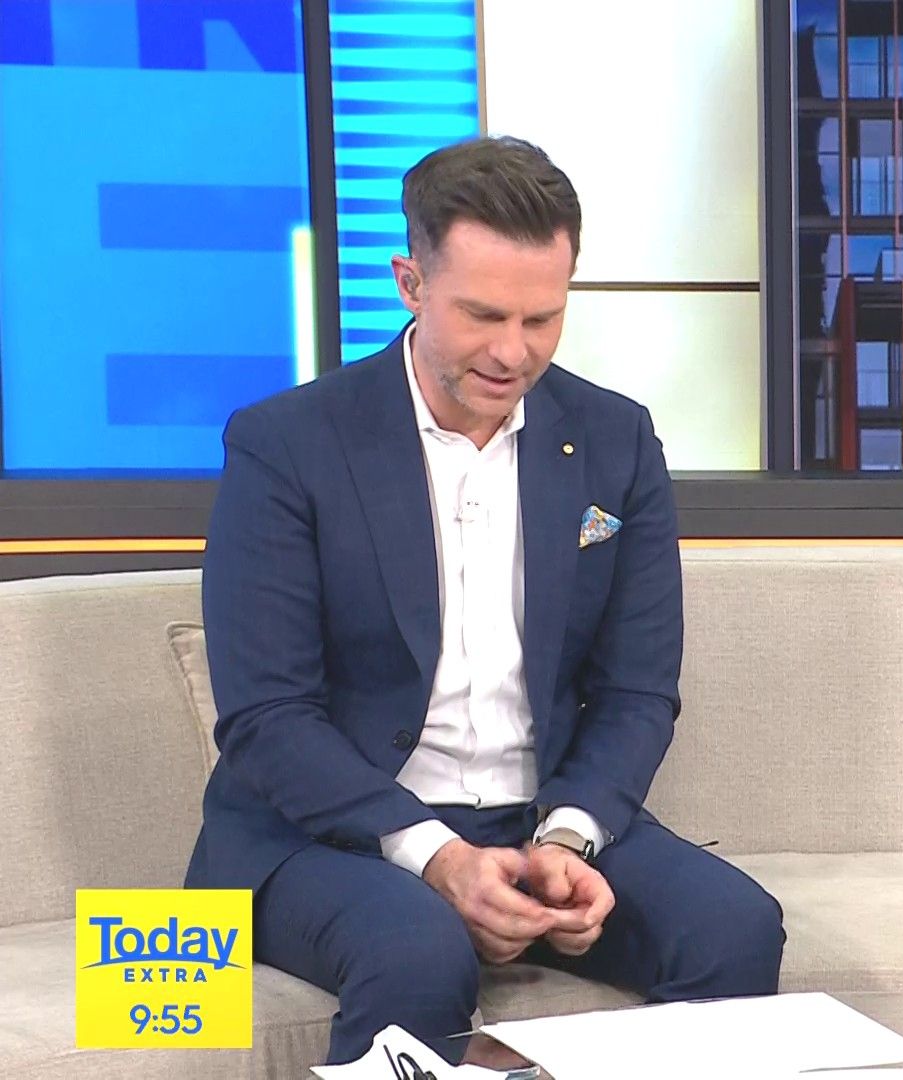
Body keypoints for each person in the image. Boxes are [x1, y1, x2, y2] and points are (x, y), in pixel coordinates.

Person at [184, 135, 784, 1065]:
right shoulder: (287, 444)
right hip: (323, 839)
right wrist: (436, 856)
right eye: (483, 315)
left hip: (538, 819)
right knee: (418, 950)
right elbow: (267, 719)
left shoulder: (616, 440)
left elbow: (636, 691)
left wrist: (569, 840)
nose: (514, 352)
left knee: (734, 927)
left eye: (543, 318)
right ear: (411, 284)